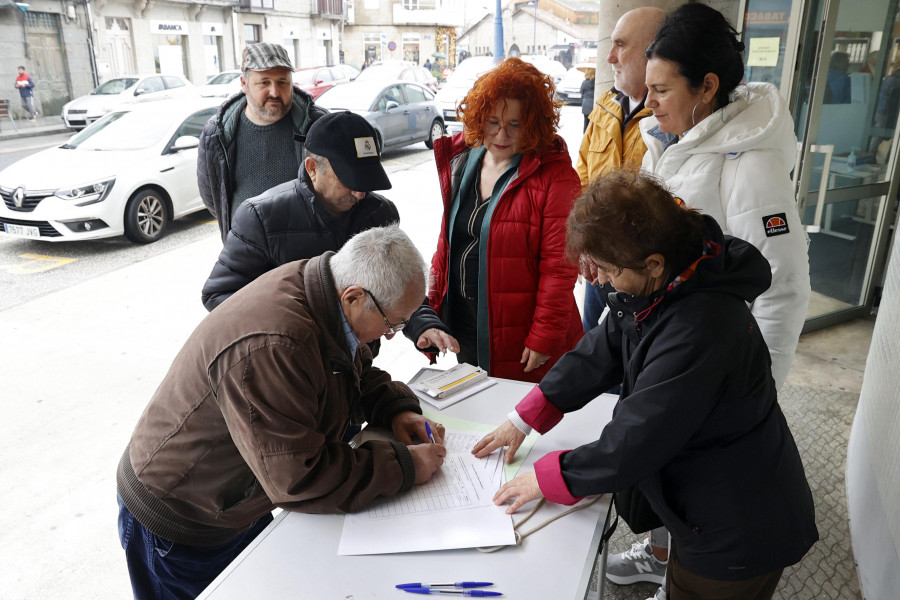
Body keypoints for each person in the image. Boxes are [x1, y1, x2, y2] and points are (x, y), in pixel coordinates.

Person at [473, 169, 819, 600]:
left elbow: (636, 438)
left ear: (653, 263)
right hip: (708, 497)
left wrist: (546, 479)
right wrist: (525, 418)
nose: (597, 280)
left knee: (695, 589)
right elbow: (602, 347)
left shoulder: (700, 326)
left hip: (737, 524)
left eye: (605, 268)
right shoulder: (671, 280)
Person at [117, 225, 448, 599]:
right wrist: (404, 466)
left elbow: (344, 367)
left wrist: (394, 409)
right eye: (393, 324)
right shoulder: (274, 344)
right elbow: (299, 477)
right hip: (184, 519)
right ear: (354, 296)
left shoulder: (325, 291)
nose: (391, 335)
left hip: (242, 492)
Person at [630, 4, 812, 596]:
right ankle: (664, 555)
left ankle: (685, 569)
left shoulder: (749, 168)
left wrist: (759, 390)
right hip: (675, 348)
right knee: (669, 462)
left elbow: (783, 288)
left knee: (706, 480)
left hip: (721, 375)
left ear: (707, 87)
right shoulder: (671, 142)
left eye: (661, 90)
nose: (648, 102)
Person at [200, 110, 459, 355]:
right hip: (292, 361)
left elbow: (394, 284)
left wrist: (424, 324)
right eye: (350, 180)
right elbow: (218, 295)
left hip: (360, 362)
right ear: (313, 168)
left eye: (366, 181)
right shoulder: (261, 217)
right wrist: (294, 329)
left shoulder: (380, 213)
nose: (360, 193)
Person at [426, 57, 583, 383]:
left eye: (515, 124)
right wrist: (432, 310)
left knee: (520, 425)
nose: (501, 133)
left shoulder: (556, 177)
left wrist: (544, 336)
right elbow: (448, 243)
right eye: (492, 120)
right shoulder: (463, 161)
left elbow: (560, 266)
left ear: (534, 125)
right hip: (468, 326)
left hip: (523, 335)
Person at [575, 7, 665, 333]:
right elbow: (581, 176)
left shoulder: (669, 121)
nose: (610, 57)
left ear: (654, 53)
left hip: (642, 276)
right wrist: (585, 242)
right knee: (593, 358)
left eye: (621, 45)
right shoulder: (605, 106)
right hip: (600, 266)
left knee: (635, 364)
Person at [197, 42, 327, 242]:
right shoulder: (217, 134)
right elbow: (214, 198)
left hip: (307, 254)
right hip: (246, 256)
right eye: (264, 82)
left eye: (282, 82)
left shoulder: (318, 125)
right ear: (244, 83)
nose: (274, 92)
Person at [579, 67, 595, 131]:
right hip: (593, 104)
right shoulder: (596, 82)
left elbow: (581, 91)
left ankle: (585, 137)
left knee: (586, 123)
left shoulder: (584, 82)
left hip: (586, 105)